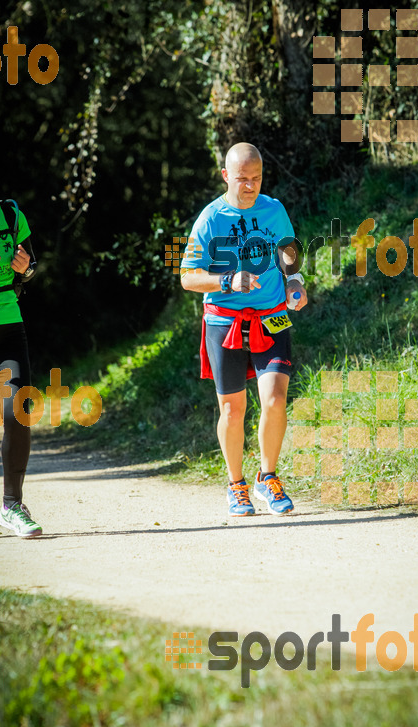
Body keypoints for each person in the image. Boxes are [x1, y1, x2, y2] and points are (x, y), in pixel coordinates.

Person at [181, 142, 307, 516]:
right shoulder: (209, 219)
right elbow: (188, 277)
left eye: (257, 178)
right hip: (224, 320)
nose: (250, 186)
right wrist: (227, 281)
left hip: (272, 315)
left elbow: (289, 250)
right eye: (242, 179)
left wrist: (295, 282)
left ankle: (267, 478)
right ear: (225, 176)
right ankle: (236, 486)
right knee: (233, 410)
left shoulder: (274, 209)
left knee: (275, 399)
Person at [0, 144, 42, 538]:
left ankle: (12, 506)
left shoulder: (9, 213)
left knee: (17, 410)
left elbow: (31, 265)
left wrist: (26, 269)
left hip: (8, 322)